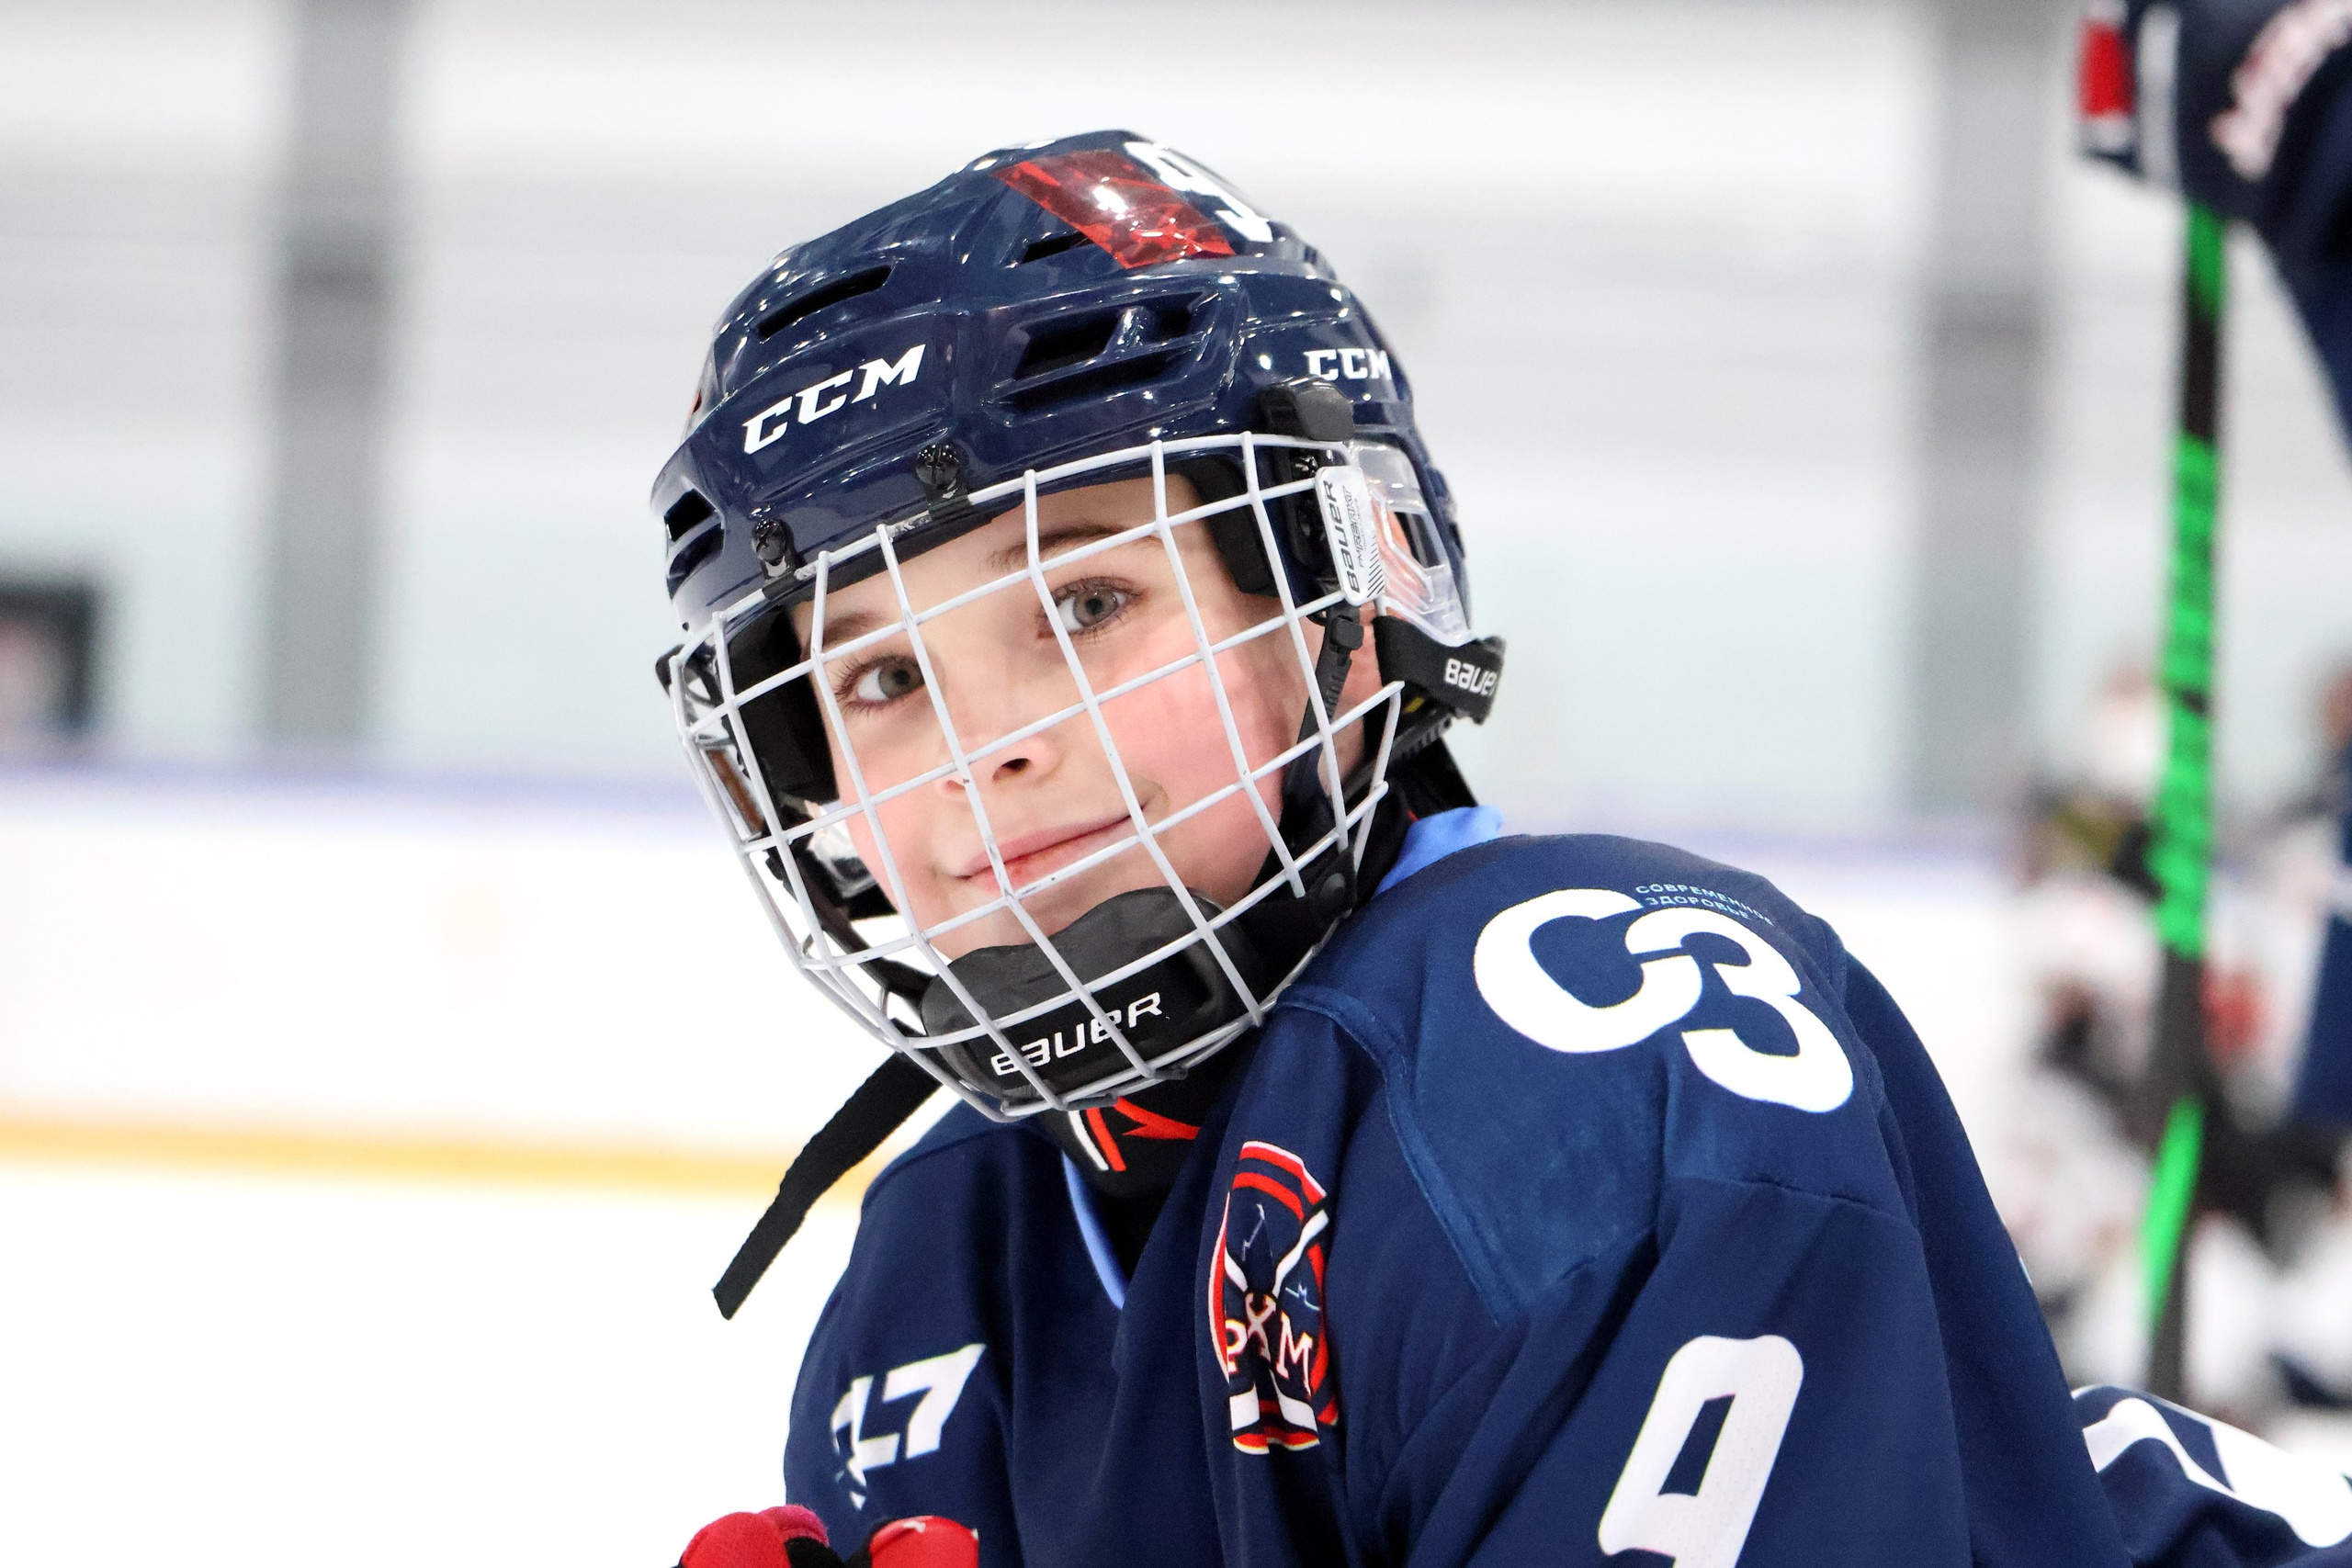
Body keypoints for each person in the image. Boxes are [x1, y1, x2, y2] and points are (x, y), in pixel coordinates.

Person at [651, 130, 2352, 1567]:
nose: (981, 747)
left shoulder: (1578, 1064)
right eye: (875, 677)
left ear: (1338, 596)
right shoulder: (941, 1269)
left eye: (1087, 602)